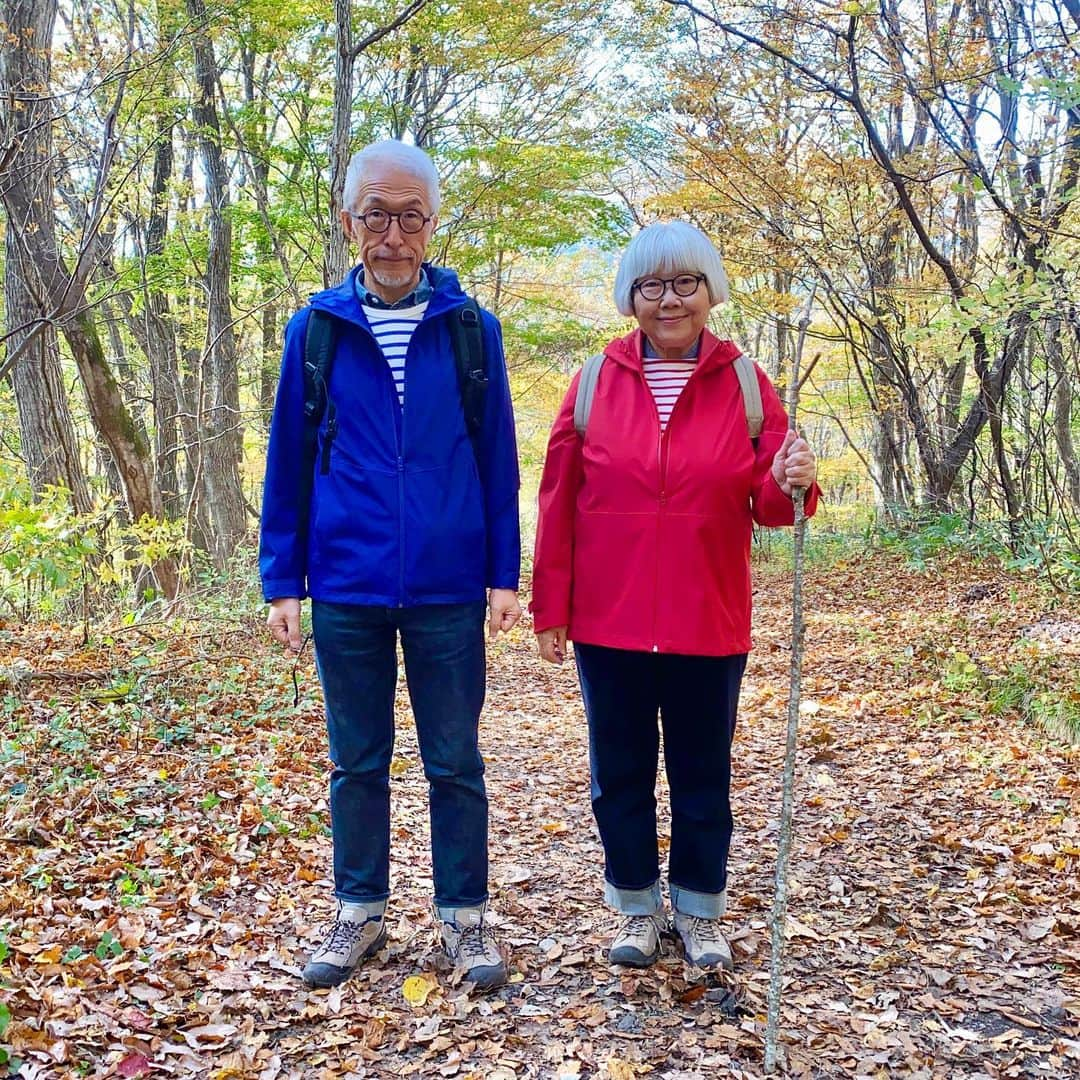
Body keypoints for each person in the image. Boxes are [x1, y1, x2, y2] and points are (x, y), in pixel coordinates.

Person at [260, 140, 520, 990]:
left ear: (432, 224)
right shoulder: (317, 331)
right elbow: (287, 463)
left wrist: (503, 574)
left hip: (447, 584)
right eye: (376, 214)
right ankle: (359, 913)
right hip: (346, 582)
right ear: (349, 224)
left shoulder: (472, 331)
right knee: (356, 760)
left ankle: (466, 921)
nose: (394, 234)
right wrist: (282, 581)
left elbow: (497, 459)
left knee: (455, 760)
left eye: (410, 215)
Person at [531, 221, 819, 971]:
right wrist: (550, 608)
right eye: (652, 286)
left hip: (707, 617)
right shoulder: (594, 380)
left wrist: (795, 478)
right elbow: (559, 498)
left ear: (708, 291)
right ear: (631, 296)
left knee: (702, 776)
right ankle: (634, 908)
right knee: (618, 775)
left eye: (684, 283)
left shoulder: (748, 385)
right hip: (609, 618)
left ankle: (698, 910)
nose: (668, 300)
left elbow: (773, 506)